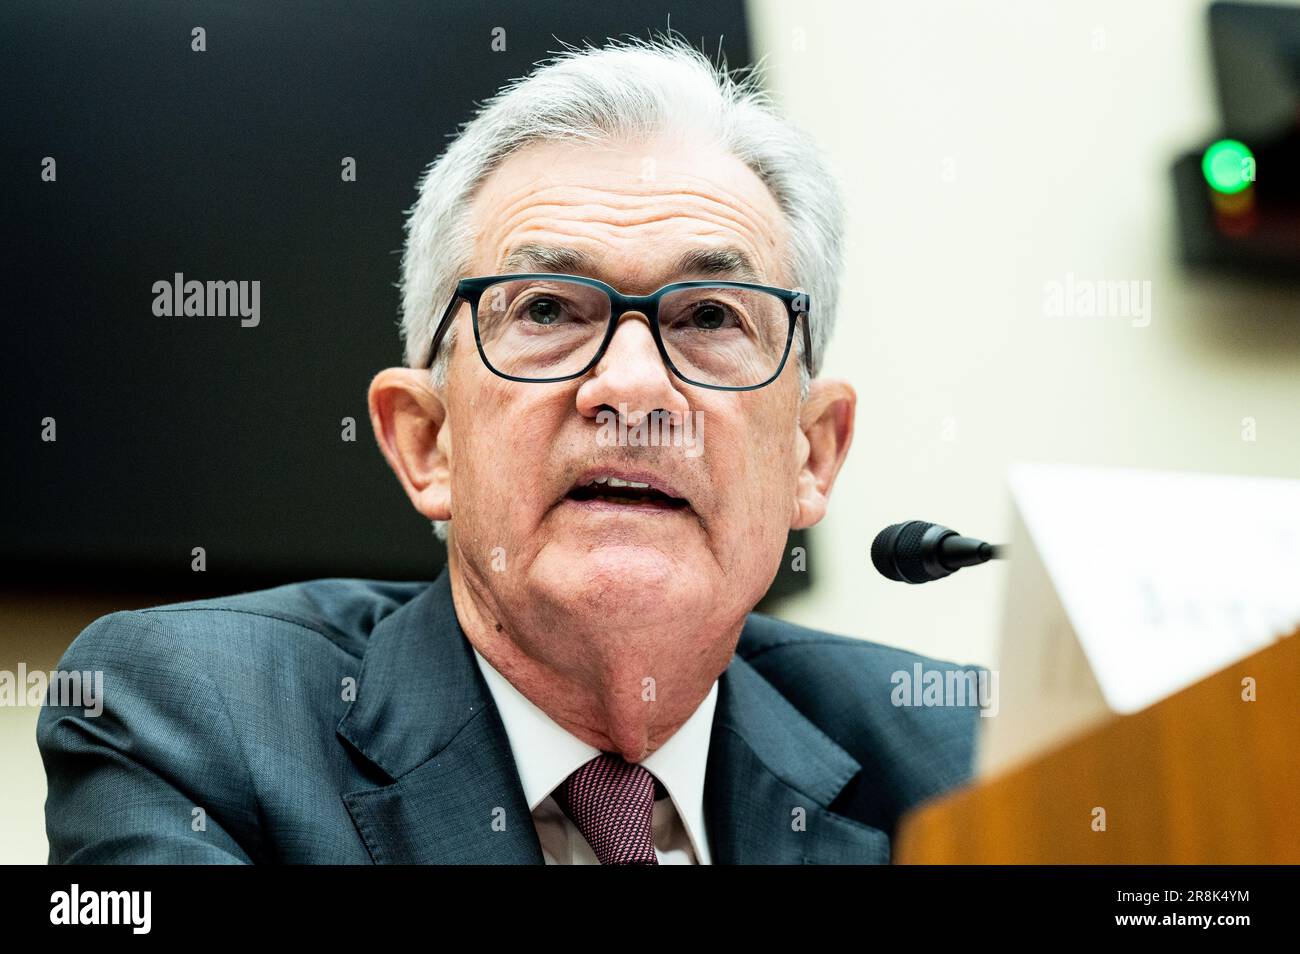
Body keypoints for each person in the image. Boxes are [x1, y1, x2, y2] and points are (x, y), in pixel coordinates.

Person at [39, 37, 981, 865]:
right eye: (546, 310)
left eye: (708, 317)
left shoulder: (965, 760)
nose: (634, 388)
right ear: (427, 442)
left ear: (812, 457)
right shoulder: (193, 719)